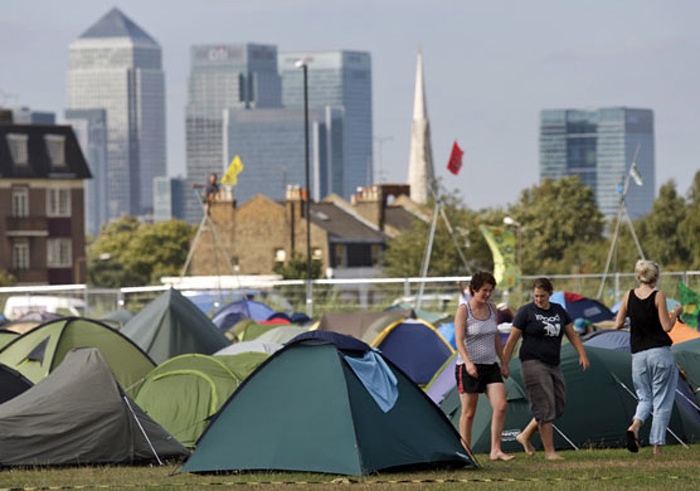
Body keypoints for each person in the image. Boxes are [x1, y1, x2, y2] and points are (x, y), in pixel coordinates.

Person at [502, 277, 590, 460]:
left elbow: (572, 335)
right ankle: (550, 452)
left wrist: (582, 354)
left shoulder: (559, 311)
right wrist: (504, 363)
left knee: (558, 405)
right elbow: (512, 340)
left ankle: (525, 435)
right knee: (544, 405)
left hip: (553, 363)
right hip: (532, 362)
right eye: (536, 296)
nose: (539, 299)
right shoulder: (525, 312)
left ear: (550, 294)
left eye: (542, 296)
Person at [614, 259, 683, 456]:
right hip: (659, 353)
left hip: (638, 356)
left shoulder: (628, 296)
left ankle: (635, 425)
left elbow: (618, 324)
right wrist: (676, 312)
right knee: (662, 399)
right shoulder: (658, 296)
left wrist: (634, 325)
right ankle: (657, 447)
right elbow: (667, 327)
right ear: (655, 278)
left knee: (644, 397)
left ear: (639, 276)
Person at [454, 271, 514, 461]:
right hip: (469, 366)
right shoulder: (464, 310)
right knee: (469, 412)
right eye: (484, 291)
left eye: (490, 290)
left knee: (501, 405)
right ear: (474, 290)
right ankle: (466, 452)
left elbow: (495, 336)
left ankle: (495, 449)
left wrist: (503, 362)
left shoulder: (492, 308)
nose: (487, 294)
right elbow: (458, 340)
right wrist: (469, 363)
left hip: (490, 365)